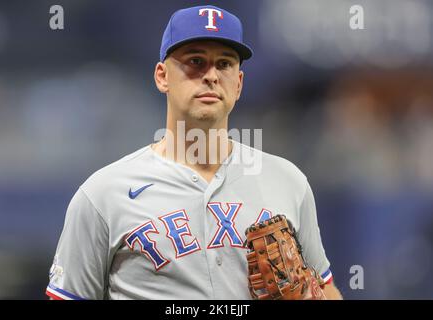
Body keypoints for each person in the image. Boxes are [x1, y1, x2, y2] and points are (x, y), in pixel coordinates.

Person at [46, 5, 342, 300]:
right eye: (195, 61)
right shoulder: (103, 195)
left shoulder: (287, 181)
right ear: (162, 76)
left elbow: (327, 289)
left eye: (225, 64)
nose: (211, 75)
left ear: (238, 84)